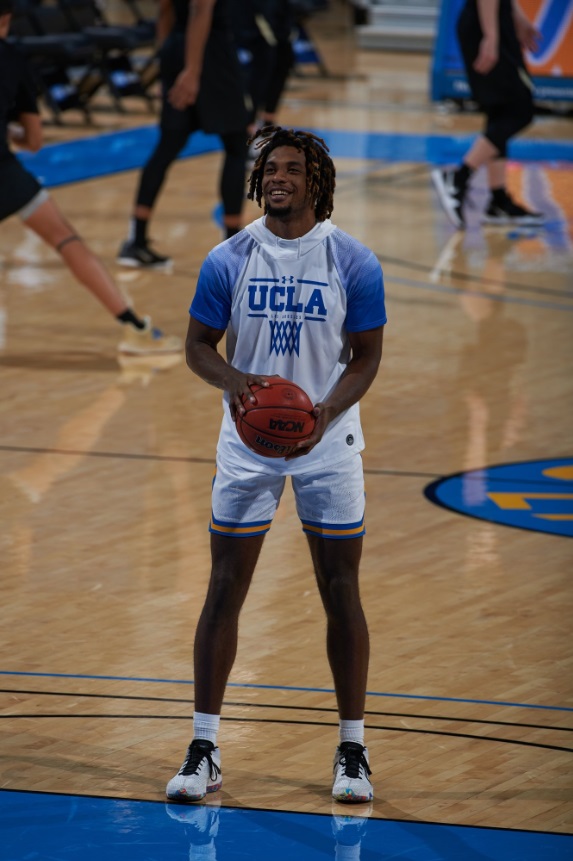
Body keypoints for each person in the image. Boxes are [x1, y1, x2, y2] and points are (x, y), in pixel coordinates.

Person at [165, 126, 386, 804]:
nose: (278, 177)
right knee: (224, 585)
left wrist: (322, 412)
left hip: (328, 443)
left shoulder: (352, 260)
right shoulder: (227, 257)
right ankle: (203, 745)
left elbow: (366, 357)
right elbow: (198, 346)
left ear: (316, 181)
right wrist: (237, 384)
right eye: (269, 168)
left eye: (292, 168)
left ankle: (353, 747)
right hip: (246, 444)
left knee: (339, 589)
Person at [0, 0, 182, 356]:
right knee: (67, 240)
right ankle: (135, 329)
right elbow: (34, 141)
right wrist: (11, 133)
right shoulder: (12, 59)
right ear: (6, 19)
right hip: (4, 172)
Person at [117, 0, 249, 269]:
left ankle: (137, 240)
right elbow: (201, 10)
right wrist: (192, 70)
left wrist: (167, 60)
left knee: (167, 146)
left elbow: (165, 9)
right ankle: (233, 248)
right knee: (236, 145)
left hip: (178, 48)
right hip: (209, 54)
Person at [432, 0, 545, 229]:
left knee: (502, 109)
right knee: (520, 110)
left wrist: (516, 16)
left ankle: (498, 199)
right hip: (487, 22)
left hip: (492, 19)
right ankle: (457, 178)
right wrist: (491, 36)